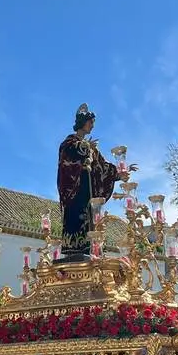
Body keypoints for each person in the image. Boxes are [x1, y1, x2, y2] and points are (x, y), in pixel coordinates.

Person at [56, 103, 136, 258]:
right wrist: (85, 147)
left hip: (88, 191)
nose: (92, 126)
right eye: (90, 122)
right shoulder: (69, 142)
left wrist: (120, 173)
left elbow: (102, 166)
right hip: (74, 191)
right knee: (76, 218)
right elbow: (68, 154)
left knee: (90, 219)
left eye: (93, 123)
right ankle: (74, 250)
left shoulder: (91, 147)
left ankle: (89, 247)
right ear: (82, 122)